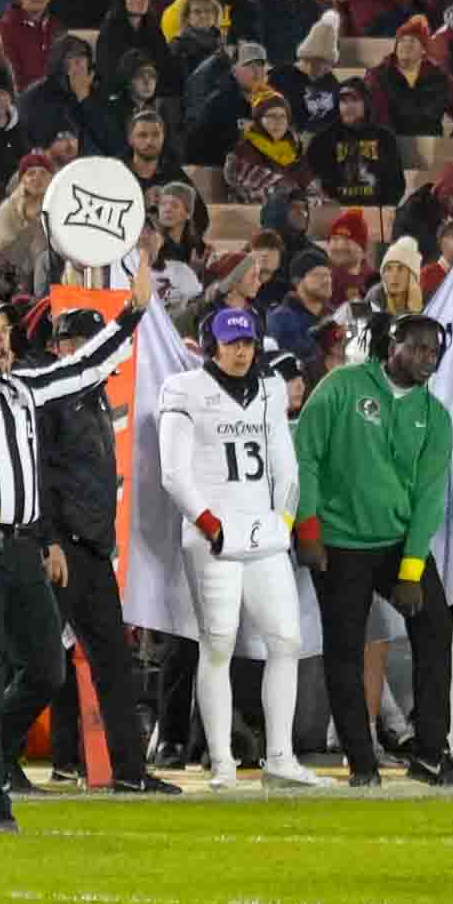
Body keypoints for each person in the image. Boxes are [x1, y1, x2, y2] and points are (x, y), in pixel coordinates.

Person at [0, 233, 156, 833]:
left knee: (46, 669)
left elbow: (84, 365)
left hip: (23, 543)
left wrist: (131, 312)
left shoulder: (25, 389)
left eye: (3, 325)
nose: (1, 334)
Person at [292, 311, 453, 787]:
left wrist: (411, 568)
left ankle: (430, 751)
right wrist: (307, 528)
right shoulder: (341, 386)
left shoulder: (435, 415)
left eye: (435, 351)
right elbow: (305, 452)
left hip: (395, 544)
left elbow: (430, 495)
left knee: (435, 629)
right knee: (344, 649)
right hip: (338, 543)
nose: (427, 359)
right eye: (418, 348)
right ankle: (361, 763)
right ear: (393, 345)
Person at [156, 303, 322, 790]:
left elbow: (285, 463)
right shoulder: (184, 389)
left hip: (263, 530)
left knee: (287, 641)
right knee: (218, 645)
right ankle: (223, 762)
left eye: (247, 341)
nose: (241, 350)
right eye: (232, 343)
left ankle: (281, 756)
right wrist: (209, 523)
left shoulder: (270, 389)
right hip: (215, 533)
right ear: (212, 345)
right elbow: (173, 472)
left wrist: (285, 518)